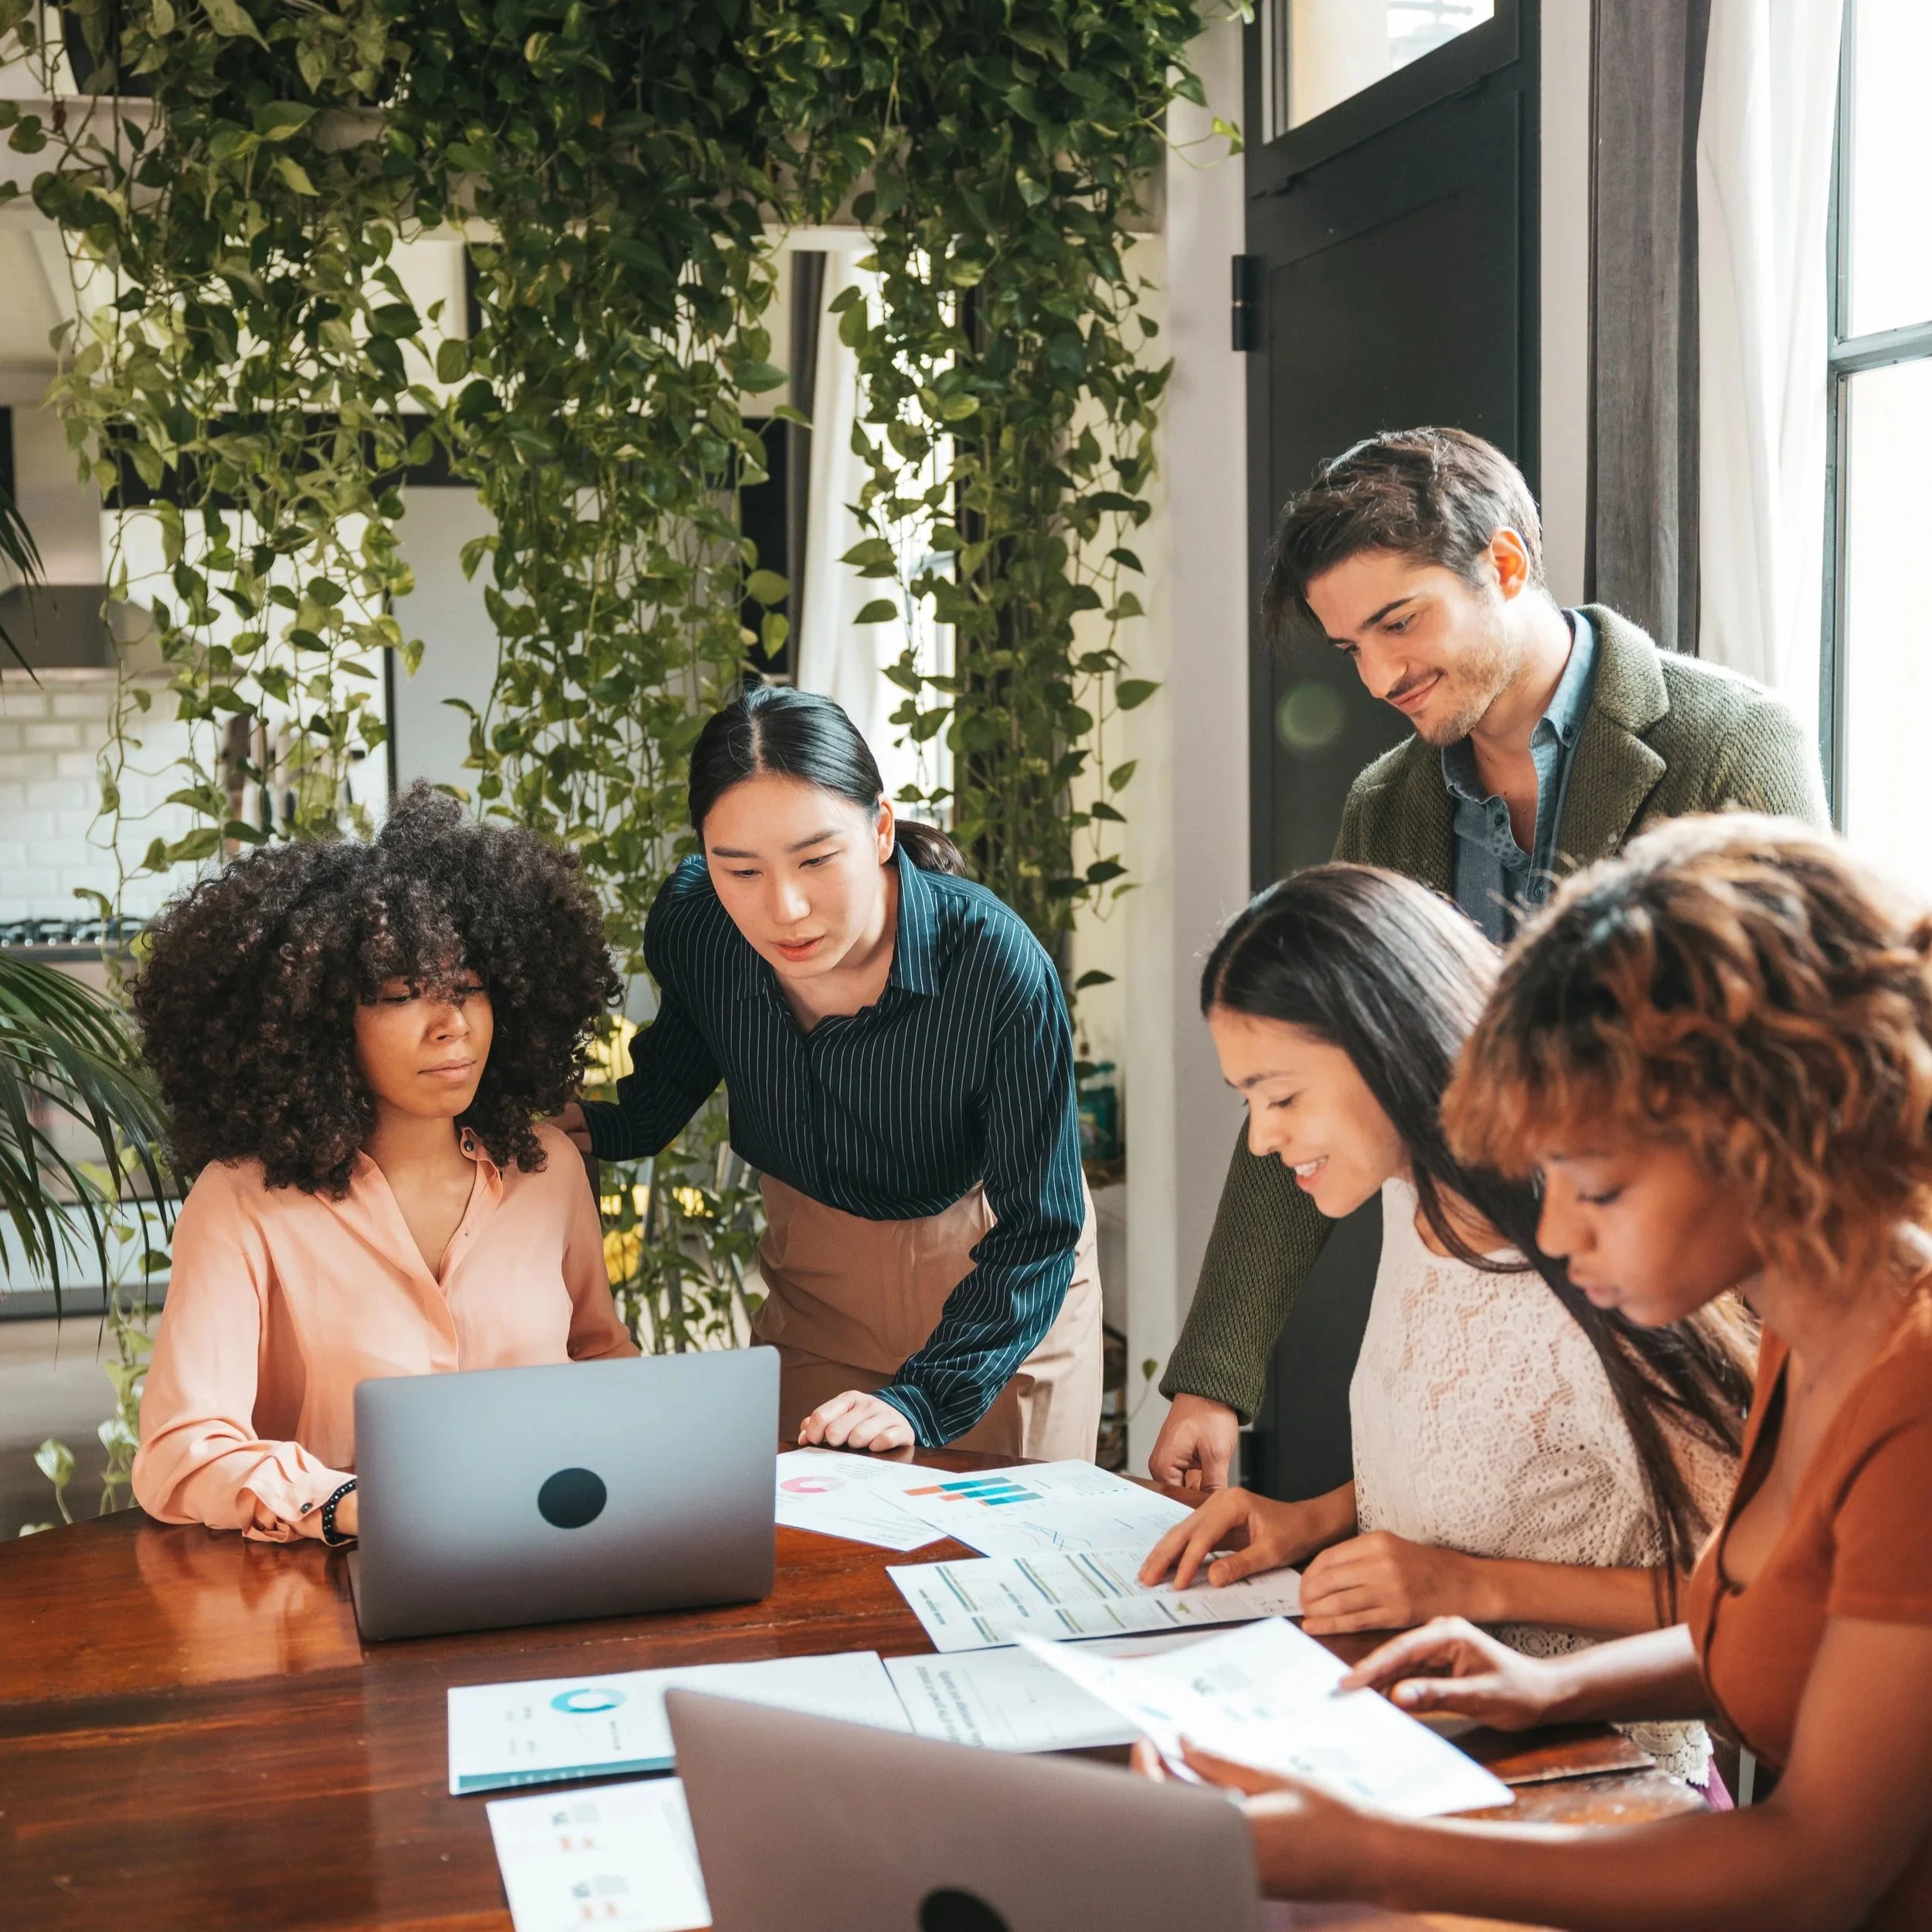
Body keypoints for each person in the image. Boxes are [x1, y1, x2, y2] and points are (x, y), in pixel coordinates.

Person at [1152, 816, 1932, 1930]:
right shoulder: (1813, 1331)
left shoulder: (1908, 1395)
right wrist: (1551, 1683)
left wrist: (1377, 1857)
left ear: (1762, 1141)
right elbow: (1769, 1633)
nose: (1553, 1232)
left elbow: (1814, 1874)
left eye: (1597, 1187)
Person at [1152, 427, 1828, 1491]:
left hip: (1692, 1313)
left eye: (1399, 622)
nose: (1379, 676)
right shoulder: (1389, 801)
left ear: (1506, 564)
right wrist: (1218, 1374)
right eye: (1349, 650)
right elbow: (1318, 1077)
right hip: (1474, 1328)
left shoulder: (1730, 744)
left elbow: (1798, 1079)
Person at [1134, 865, 1748, 1780]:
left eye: (1282, 1096)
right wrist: (1315, 1519)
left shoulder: (1602, 1260)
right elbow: (1496, 1457)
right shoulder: (1405, 1193)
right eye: (1246, 1102)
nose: (1261, 1140)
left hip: (1598, 1778)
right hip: (1422, 1742)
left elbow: (1754, 1600)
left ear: (1385, 1043)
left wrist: (1474, 1584)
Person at [555, 683, 1100, 1459]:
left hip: (994, 1281)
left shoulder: (993, 963)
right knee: (808, 1552)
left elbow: (1040, 1226)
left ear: (879, 828)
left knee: (997, 1555)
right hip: (816, 1275)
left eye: (816, 859)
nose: (785, 908)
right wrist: (601, 1127)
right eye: (739, 869)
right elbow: (681, 1063)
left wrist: (923, 1397)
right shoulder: (697, 926)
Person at [131, 784, 634, 1544]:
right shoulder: (241, 1200)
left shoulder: (548, 1169)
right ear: (320, 1016)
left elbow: (601, 1362)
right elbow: (181, 1451)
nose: (452, 1025)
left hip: (543, 1557)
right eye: (403, 996)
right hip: (324, 1593)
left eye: (470, 988)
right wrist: (345, 1504)